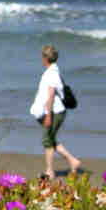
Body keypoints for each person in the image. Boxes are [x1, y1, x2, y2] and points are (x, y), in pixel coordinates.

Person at [30, 44, 81, 179]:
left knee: (47, 140)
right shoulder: (53, 71)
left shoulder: (52, 74)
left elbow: (51, 94)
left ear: (45, 58)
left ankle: (49, 171)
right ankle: (73, 161)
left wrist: (48, 115)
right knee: (51, 139)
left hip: (55, 112)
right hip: (54, 111)